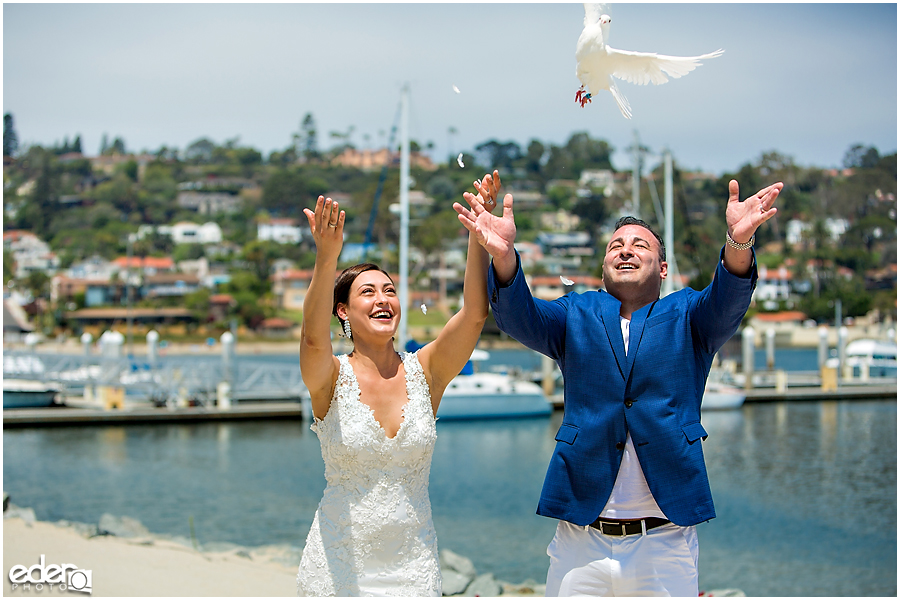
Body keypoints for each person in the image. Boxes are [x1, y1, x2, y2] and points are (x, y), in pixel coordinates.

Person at [455, 175, 782, 596]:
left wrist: (738, 243)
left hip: (665, 542)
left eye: (640, 245)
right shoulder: (577, 311)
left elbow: (729, 299)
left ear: (663, 268)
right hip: (580, 541)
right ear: (604, 267)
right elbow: (519, 318)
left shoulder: (689, 316)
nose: (626, 249)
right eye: (616, 246)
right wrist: (503, 258)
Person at [295, 174, 500, 596]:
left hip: (413, 567)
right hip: (338, 567)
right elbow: (312, 338)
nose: (383, 299)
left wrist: (479, 235)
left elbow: (476, 314)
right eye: (367, 292)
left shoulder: (427, 371)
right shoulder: (330, 378)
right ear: (343, 312)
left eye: (389, 290)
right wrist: (326, 257)